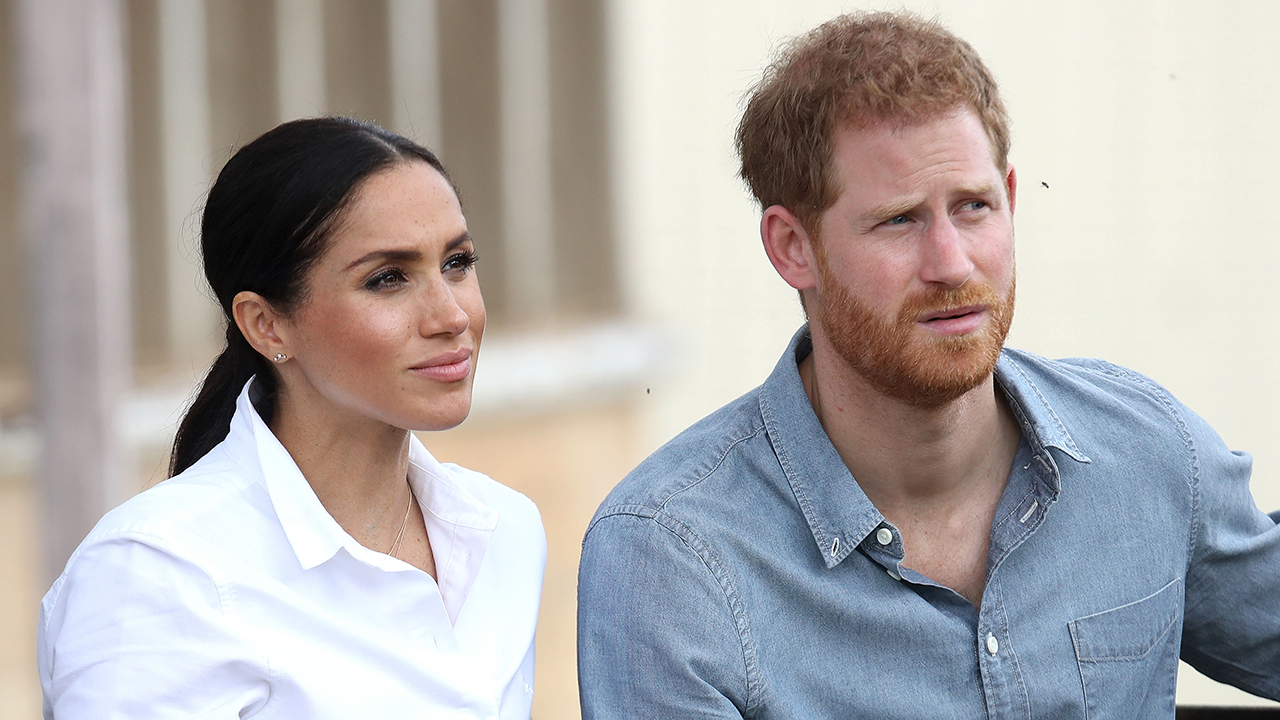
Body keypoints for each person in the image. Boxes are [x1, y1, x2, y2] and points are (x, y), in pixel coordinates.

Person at [577, 11, 1280, 718]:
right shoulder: (674, 559)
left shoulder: (1148, 456)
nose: (952, 263)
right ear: (793, 247)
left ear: (1011, 200)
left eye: (973, 207)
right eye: (900, 220)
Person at [37, 117, 546, 718]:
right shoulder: (159, 573)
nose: (451, 316)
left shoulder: (503, 532)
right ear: (266, 324)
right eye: (388, 278)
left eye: (457, 262)